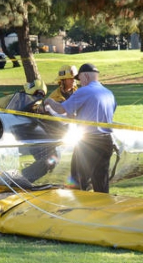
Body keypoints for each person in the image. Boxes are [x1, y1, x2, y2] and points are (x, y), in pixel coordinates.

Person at [44, 63, 116, 193]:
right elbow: (99, 116)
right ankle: (102, 209)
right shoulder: (109, 93)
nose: (79, 82)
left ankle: (81, 209)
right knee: (101, 182)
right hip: (107, 141)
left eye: (80, 78)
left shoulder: (84, 91)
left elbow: (61, 109)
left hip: (89, 142)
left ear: (86, 76)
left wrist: (48, 102)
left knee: (78, 180)